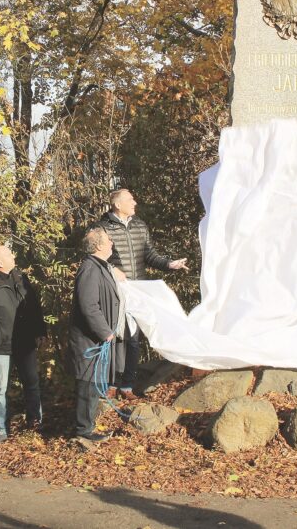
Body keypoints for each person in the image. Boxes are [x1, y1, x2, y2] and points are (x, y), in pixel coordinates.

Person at [97, 189, 187, 399]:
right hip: (115, 291)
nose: (135, 202)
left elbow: (150, 255)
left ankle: (127, 385)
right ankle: (112, 383)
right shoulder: (102, 227)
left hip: (139, 291)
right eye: (130, 199)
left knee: (134, 338)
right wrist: (112, 269)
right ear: (118, 204)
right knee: (115, 336)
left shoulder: (139, 225)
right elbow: (96, 257)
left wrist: (169, 264)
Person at [0, 245, 47, 442]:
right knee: (0, 389)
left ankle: (35, 422)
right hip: (1, 346)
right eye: (8, 254)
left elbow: (34, 306)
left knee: (32, 384)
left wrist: (40, 332)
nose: (13, 255)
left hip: (25, 344)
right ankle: (1, 428)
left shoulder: (21, 279)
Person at [67, 227, 125, 445]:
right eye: (109, 240)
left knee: (91, 387)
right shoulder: (90, 269)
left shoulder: (99, 266)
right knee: (87, 386)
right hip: (88, 341)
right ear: (99, 246)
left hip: (95, 339)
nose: (111, 243)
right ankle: (83, 432)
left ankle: (87, 428)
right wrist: (105, 331)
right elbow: (88, 305)